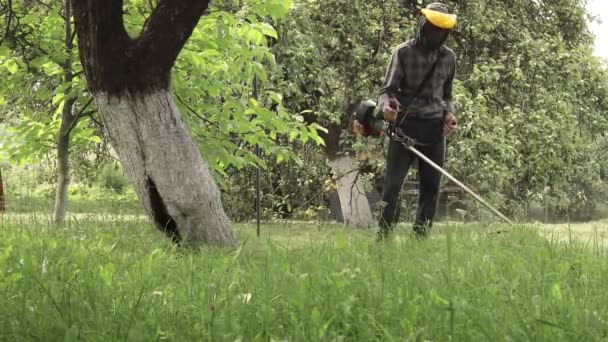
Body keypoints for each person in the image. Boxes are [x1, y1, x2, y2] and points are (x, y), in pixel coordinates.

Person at [377, 2, 458, 239]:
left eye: (442, 30)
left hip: (434, 131)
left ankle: (419, 240)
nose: (436, 34)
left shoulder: (448, 58)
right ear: (422, 25)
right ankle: (383, 239)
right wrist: (386, 108)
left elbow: (447, 96)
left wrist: (449, 114)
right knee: (392, 188)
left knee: (431, 189)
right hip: (404, 129)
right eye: (433, 28)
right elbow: (386, 91)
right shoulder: (402, 52)